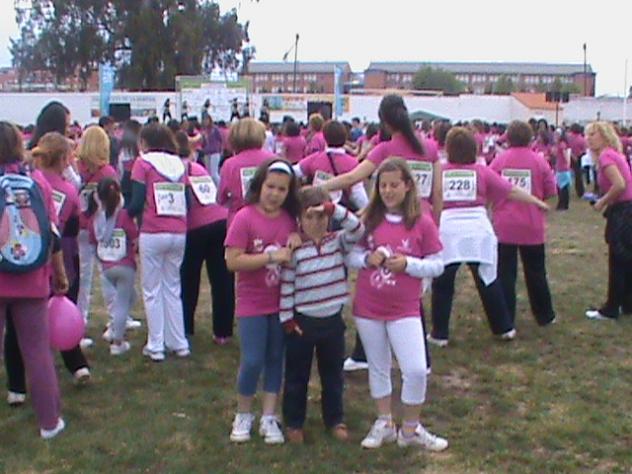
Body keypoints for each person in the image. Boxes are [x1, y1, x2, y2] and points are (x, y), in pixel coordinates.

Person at [320, 95, 441, 370]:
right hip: (422, 223)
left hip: (392, 222)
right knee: (411, 291)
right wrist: (436, 225)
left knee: (380, 287)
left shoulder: (385, 149)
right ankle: (408, 358)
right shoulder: (430, 147)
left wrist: (319, 189)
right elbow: (437, 193)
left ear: (384, 121)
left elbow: (353, 177)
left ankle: (373, 355)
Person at [345, 158, 447, 451]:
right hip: (368, 308)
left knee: (415, 369)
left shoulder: (422, 222)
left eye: (394, 185)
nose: (388, 191)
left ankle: (411, 429)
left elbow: (438, 264)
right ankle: (385, 422)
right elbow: (350, 255)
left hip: (405, 309)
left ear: (408, 186)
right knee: (378, 367)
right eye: (383, 185)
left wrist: (409, 264)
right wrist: (367, 259)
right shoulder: (368, 220)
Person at [429, 127, 550, 346]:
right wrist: (536, 202)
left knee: (443, 282)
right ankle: (503, 327)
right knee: (487, 279)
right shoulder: (481, 171)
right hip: (478, 230)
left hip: (448, 230)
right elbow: (511, 190)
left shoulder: (441, 172)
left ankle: (439, 333)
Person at [4, 132, 91, 407]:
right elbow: (66, 230)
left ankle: (16, 387)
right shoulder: (49, 186)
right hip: (43, 264)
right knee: (46, 330)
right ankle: (74, 367)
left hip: (7, 265)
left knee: (13, 333)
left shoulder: (34, 179)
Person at [280, 187, 364, 444]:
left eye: (321, 217)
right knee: (297, 377)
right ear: (299, 220)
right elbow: (287, 286)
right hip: (302, 323)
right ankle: (294, 422)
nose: (315, 223)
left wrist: (333, 208)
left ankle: (335, 419)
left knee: (333, 375)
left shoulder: (338, 241)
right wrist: (288, 320)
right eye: (309, 217)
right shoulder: (295, 249)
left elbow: (358, 228)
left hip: (332, 322)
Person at [0, 121, 68, 438]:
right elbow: (53, 234)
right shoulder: (37, 182)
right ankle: (49, 422)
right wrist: (60, 274)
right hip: (32, 278)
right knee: (38, 352)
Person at [225, 159, 300, 445]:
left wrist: (296, 240)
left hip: (281, 303)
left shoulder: (289, 219)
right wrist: (270, 257)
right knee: (253, 359)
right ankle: (243, 413)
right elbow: (233, 261)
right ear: (259, 186)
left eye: (282, 189)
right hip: (252, 303)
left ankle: (269, 416)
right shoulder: (244, 217)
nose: (275, 194)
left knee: (275, 358)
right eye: (270, 187)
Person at [127, 123, 190, 361]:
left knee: (151, 289)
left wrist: (124, 216)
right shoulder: (180, 165)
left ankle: (156, 344)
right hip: (178, 230)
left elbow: (136, 202)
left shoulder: (142, 163)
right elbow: (187, 201)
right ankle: (179, 341)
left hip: (153, 230)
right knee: (173, 287)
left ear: (144, 142)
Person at [490, 121, 557, 327]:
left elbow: (489, 187)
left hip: (505, 225)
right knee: (536, 272)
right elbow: (551, 191)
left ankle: (506, 316)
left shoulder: (499, 161)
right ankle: (545, 315)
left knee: (505, 274)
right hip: (532, 224)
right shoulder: (539, 161)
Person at [174, 131, 234, 343]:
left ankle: (185, 327)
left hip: (194, 228)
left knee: (188, 279)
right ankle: (223, 331)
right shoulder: (197, 167)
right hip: (219, 222)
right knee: (222, 279)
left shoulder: (172, 171)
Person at [76, 126, 119, 347]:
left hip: (80, 229)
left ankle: (77, 324)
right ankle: (115, 323)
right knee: (108, 275)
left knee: (82, 279)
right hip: (102, 229)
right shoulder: (108, 172)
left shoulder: (76, 169)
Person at [584, 122, 632, 320]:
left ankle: (611, 308)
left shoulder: (606, 156)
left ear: (604, 136)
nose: (589, 138)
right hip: (627, 209)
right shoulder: (614, 154)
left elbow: (619, 184)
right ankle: (626, 303)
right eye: (588, 135)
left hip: (623, 211)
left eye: (593, 134)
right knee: (626, 258)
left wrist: (601, 202)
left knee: (618, 259)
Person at [90, 178, 138, 355]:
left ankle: (113, 327)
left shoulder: (96, 219)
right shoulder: (124, 216)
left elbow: (93, 241)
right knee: (123, 303)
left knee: (131, 297)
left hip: (107, 267)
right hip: (125, 265)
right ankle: (117, 342)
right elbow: (134, 238)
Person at [294, 120, 369, 212]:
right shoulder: (353, 163)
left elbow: (294, 171)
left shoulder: (314, 159)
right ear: (345, 138)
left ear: (325, 138)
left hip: (317, 208)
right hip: (341, 210)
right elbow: (358, 195)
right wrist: (367, 211)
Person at [217, 118, 275, 226]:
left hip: (238, 220)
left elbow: (221, 198)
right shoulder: (274, 160)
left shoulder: (230, 164)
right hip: (270, 217)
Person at [551, 130, 571, 210]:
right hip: (559, 167)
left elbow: (565, 154)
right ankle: (562, 204)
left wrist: (567, 163)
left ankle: (563, 204)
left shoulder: (562, 144)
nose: (555, 136)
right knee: (560, 187)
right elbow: (554, 153)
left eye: (557, 134)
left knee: (563, 187)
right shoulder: (558, 144)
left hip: (563, 168)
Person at [201, 115, 223, 184]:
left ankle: (220, 186)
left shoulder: (215, 129)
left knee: (214, 173)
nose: (206, 121)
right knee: (208, 173)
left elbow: (220, 139)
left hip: (215, 152)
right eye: (204, 120)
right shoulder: (203, 131)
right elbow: (203, 143)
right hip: (207, 153)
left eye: (207, 120)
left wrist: (220, 149)